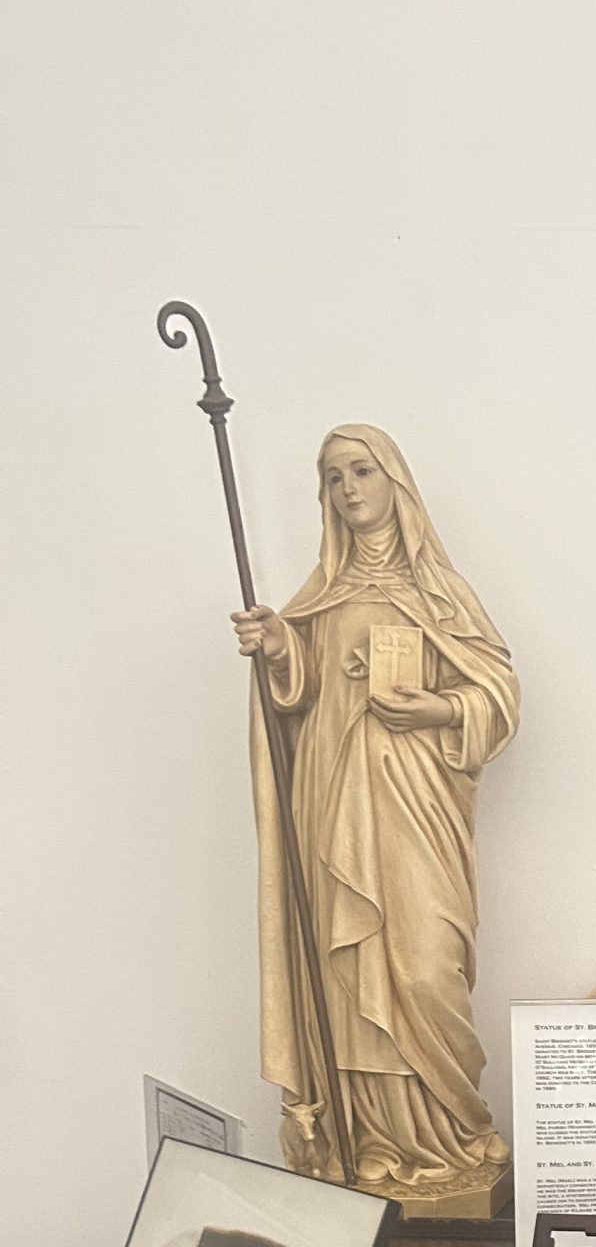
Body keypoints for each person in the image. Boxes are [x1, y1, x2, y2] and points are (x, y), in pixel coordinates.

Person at [233, 428, 518, 1206]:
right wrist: (278, 649)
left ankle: (452, 1136)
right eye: (331, 478)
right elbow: (296, 696)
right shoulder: (318, 601)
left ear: (395, 481)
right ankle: (377, 1146)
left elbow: (498, 696)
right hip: (335, 808)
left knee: (425, 970)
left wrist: (439, 707)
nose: (348, 488)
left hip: (418, 803)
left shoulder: (444, 595)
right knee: (347, 972)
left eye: (361, 471)